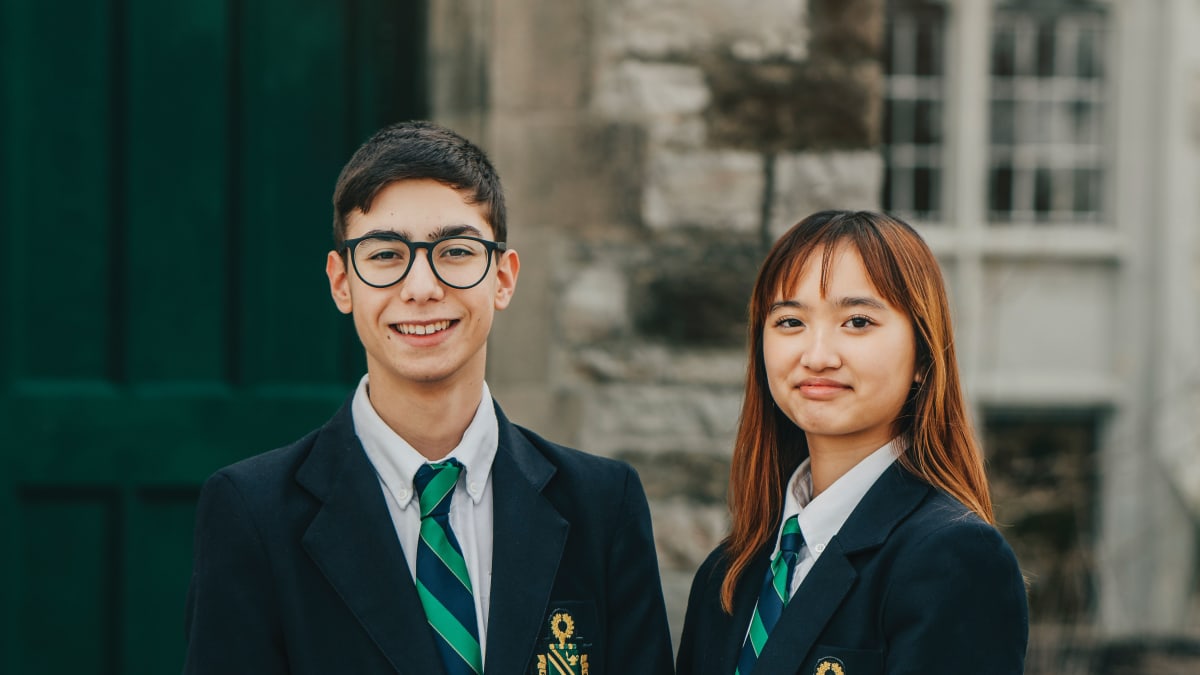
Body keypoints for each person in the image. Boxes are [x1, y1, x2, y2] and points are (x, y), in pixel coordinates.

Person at [184, 121, 675, 675]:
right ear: (342, 282)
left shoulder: (602, 505)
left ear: (503, 278)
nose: (421, 287)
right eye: (386, 255)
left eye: (456, 251)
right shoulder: (252, 513)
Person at [676, 210, 1028, 675]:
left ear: (924, 354)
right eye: (789, 322)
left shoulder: (952, 559)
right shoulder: (729, 574)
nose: (817, 356)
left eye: (858, 321)